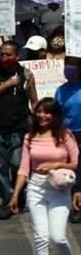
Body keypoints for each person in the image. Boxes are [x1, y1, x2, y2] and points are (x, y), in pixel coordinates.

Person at [9, 98, 77, 255]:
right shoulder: (29, 136)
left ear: (55, 115)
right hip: (36, 188)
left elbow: (75, 163)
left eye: (47, 112)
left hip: (59, 189)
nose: (42, 116)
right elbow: (24, 168)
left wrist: (57, 165)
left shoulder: (65, 135)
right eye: (39, 112)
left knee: (57, 237)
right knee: (41, 238)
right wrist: (15, 195)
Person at [0, 41, 39, 220]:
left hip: (19, 128)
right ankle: (8, 200)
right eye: (2, 54)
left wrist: (37, 122)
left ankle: (18, 192)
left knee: (18, 165)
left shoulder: (26, 74)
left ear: (18, 56)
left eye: (9, 55)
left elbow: (34, 100)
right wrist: (8, 84)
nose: (5, 58)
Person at [55, 57, 81, 223]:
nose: (68, 70)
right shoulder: (61, 90)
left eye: (72, 67)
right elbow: (57, 114)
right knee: (73, 172)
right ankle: (75, 205)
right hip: (68, 135)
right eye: (66, 66)